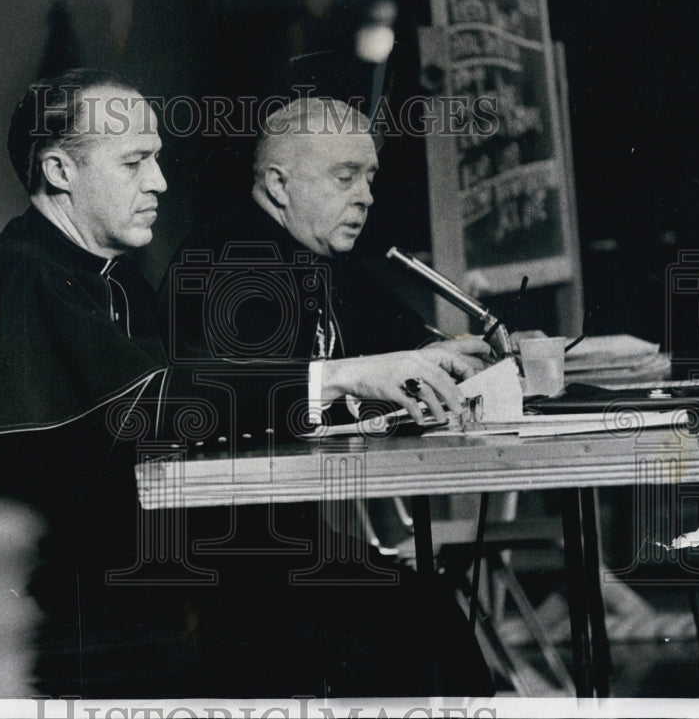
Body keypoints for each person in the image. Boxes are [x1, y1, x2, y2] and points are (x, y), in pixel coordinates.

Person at [0, 70, 487, 698]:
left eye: (157, 160)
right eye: (135, 162)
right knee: (378, 619)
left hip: (129, 570)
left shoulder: (107, 276)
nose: (160, 182)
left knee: (405, 608)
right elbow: (162, 406)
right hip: (36, 609)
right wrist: (341, 375)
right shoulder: (17, 268)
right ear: (60, 173)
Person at [157, 96, 495, 697]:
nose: (366, 196)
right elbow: (219, 402)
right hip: (213, 561)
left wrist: (457, 353)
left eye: (369, 177)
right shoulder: (224, 257)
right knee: (418, 617)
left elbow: (405, 348)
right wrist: (362, 374)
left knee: (422, 612)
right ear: (279, 184)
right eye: (345, 177)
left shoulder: (324, 257)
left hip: (284, 542)